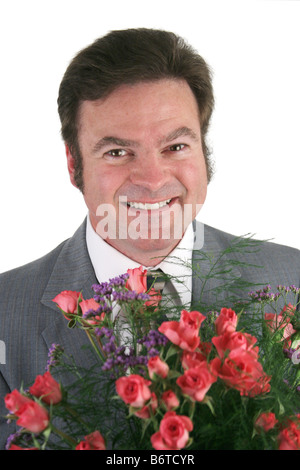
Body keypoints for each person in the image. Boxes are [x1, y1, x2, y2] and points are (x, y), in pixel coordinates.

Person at [0, 28, 299, 449]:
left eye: (176, 146)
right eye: (117, 152)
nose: (154, 180)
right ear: (74, 164)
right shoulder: (4, 313)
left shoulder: (293, 282)